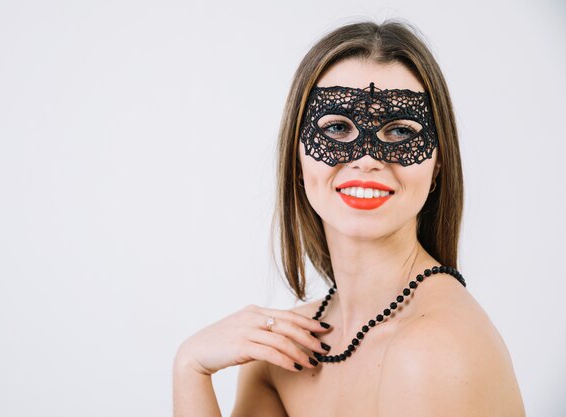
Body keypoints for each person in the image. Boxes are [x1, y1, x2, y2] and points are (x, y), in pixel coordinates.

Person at [173, 20, 525, 416]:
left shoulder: (434, 348)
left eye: (399, 131)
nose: (367, 159)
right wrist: (190, 366)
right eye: (337, 127)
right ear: (298, 156)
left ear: (438, 161)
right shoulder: (277, 351)